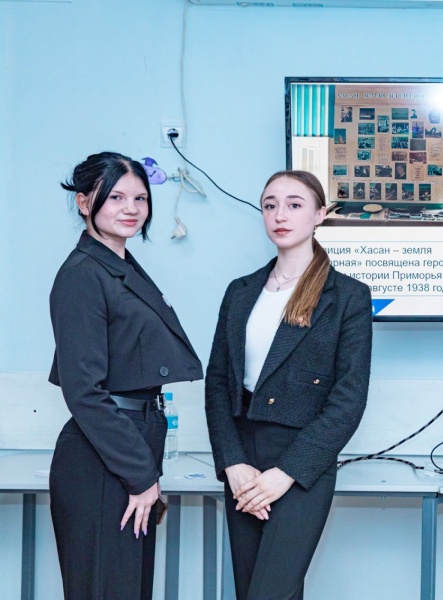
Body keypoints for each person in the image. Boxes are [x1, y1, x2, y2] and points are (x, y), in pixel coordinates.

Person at [205, 170, 372, 599]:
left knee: (271, 593)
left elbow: (348, 399)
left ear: (319, 215)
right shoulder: (241, 292)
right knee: (251, 590)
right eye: (270, 205)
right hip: (243, 459)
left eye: (295, 205)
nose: (280, 214)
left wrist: (286, 474)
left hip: (302, 461)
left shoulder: (348, 296)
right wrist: (232, 463)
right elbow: (218, 384)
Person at [48, 152, 203, 599]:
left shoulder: (120, 266)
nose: (131, 208)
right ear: (84, 203)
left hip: (130, 446)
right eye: (115, 197)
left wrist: (143, 471)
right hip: (104, 458)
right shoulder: (82, 275)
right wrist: (140, 476)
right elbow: (84, 392)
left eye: (140, 198)